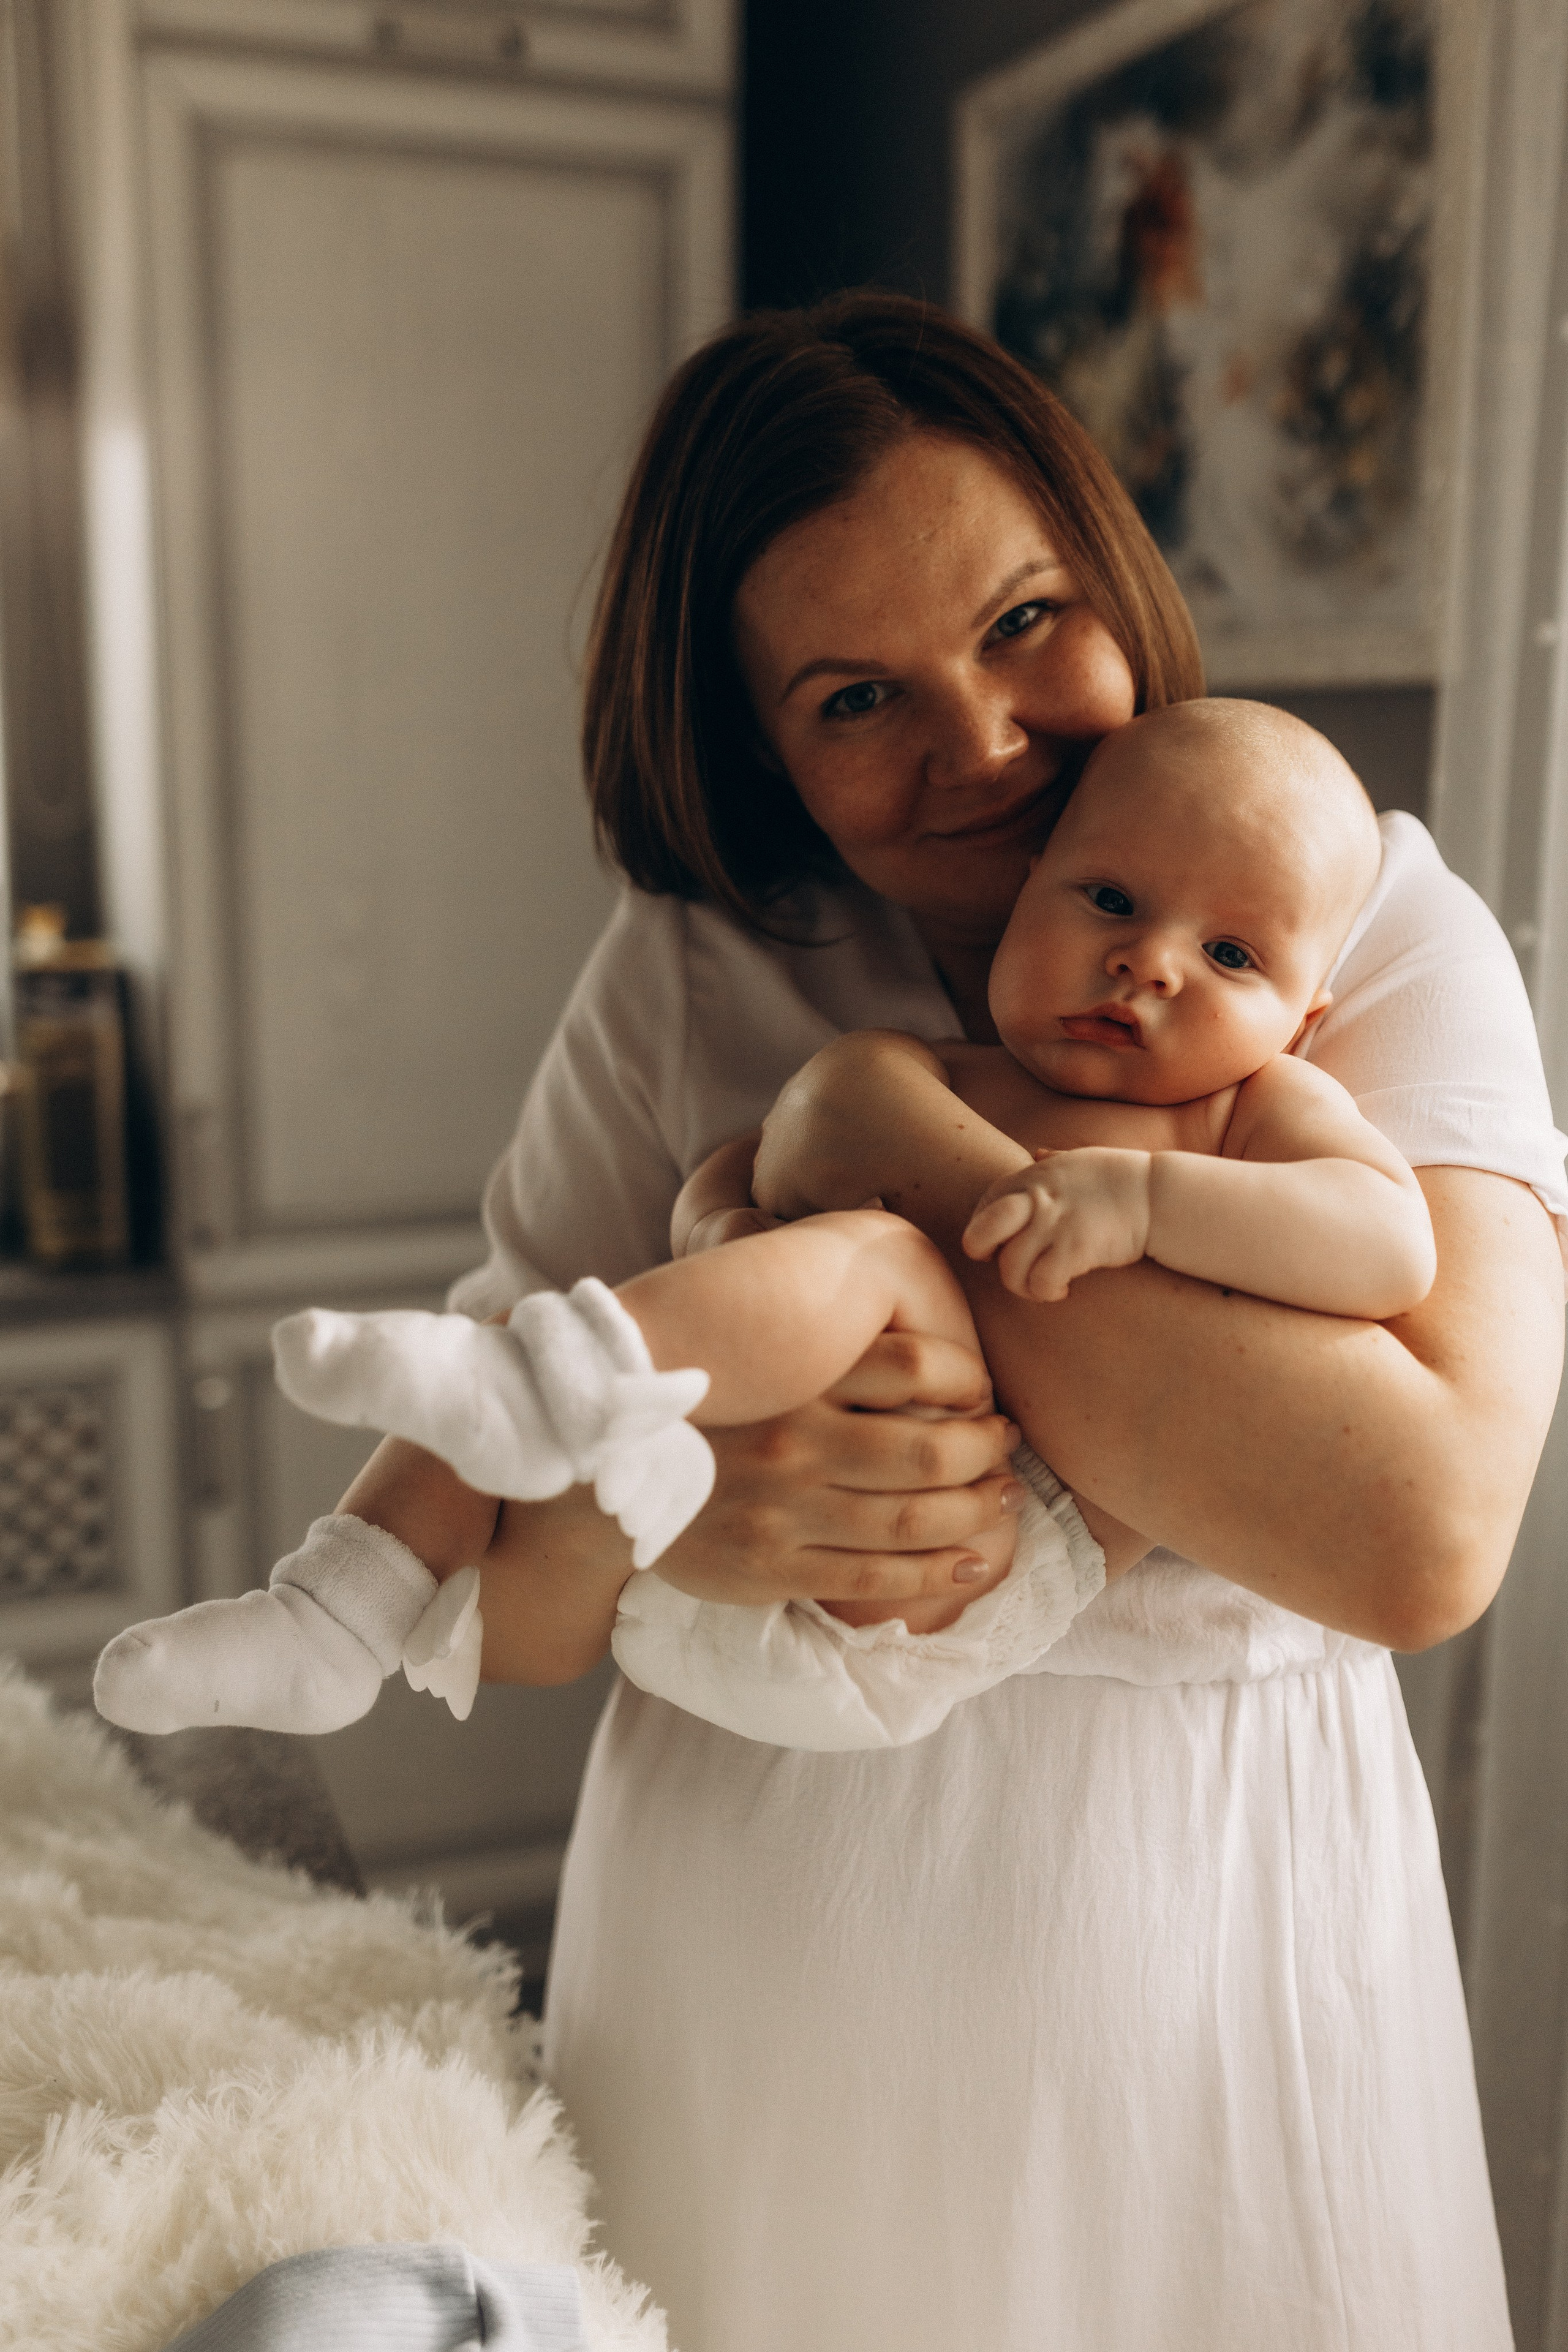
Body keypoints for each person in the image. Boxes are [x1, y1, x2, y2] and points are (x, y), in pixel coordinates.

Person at [116, 293, 1568, 2347]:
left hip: (1219, 1936)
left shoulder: (1339, 916)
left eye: (1025, 622)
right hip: (766, 1928)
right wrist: (667, 1524)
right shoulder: (692, 970)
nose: (982, 741)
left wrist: (880, 1157)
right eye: (856, 699)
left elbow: (1409, 1531)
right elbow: (515, 1602)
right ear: (759, 743)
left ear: (1113, 571)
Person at [94, 699, 1441, 1760]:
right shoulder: (939, 1067)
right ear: (1029, 894)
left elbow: (1386, 1244)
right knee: (559, 1322)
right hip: (719, 1583)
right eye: (1108, 902)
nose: (1149, 962)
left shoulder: (1249, 1112)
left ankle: (558, 1390)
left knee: (879, 1260)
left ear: (1305, 1018)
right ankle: (333, 1613)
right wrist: (714, 1217)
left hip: (975, 1559)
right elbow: (750, 1170)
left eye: (1230, 958)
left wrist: (1144, 1202)